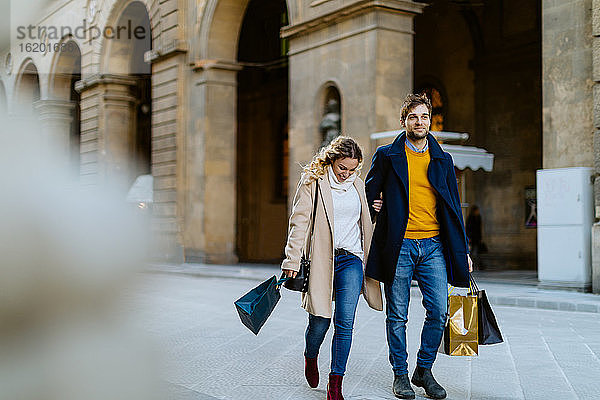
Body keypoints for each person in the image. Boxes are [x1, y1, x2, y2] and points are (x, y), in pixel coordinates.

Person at [365, 93, 473, 399]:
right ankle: (400, 374)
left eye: (424, 117)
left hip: (434, 245)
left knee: (439, 311)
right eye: (413, 117)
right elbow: (368, 194)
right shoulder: (387, 155)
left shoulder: (442, 159)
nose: (419, 122)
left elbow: (453, 207)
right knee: (398, 314)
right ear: (404, 121)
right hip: (399, 246)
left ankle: (423, 370)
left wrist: (463, 250)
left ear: (430, 121)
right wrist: (375, 207)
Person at [281, 136, 383, 400]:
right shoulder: (313, 182)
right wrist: (291, 260)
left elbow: (362, 224)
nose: (346, 174)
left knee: (345, 322)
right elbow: (299, 223)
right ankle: (311, 355)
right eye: (342, 168)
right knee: (320, 321)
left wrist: (373, 210)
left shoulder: (358, 186)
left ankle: (335, 383)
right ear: (332, 161)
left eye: (352, 169)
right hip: (321, 260)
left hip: (351, 259)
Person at [466, 205, 484, 270]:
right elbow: (468, 228)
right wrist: (469, 237)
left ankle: (479, 265)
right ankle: (471, 265)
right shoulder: (470, 218)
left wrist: (481, 238)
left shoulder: (478, 217)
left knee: (478, 252)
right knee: (472, 252)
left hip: (477, 238)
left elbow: (479, 228)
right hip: (472, 237)